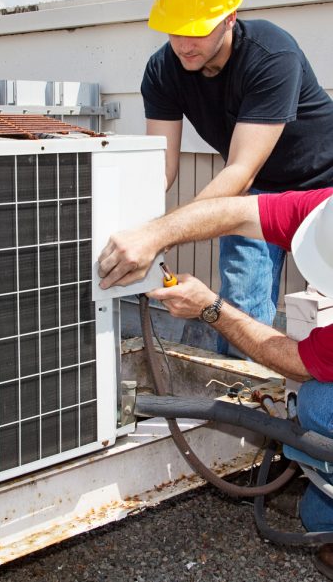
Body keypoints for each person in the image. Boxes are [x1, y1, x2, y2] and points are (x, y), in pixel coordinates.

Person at [98, 187, 333, 577]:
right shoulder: (325, 208)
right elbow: (236, 212)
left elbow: (301, 363)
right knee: (315, 514)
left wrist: (211, 309)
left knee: (319, 407)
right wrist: (155, 234)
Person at [141, 0, 333, 355]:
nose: (184, 43)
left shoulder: (270, 53)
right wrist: (137, 225)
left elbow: (239, 169)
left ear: (230, 17)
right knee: (240, 307)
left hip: (323, 187)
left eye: (198, 29)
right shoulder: (162, 70)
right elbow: (162, 167)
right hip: (256, 191)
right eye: (175, 28)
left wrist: (161, 234)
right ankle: (246, 405)